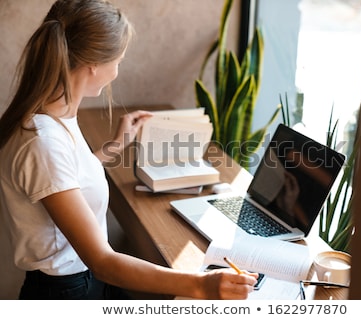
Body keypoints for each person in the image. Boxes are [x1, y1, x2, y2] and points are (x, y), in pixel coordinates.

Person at [0, 0, 257, 300]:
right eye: (118, 61)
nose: (117, 71)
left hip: (80, 281)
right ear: (93, 65)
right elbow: (103, 263)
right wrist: (201, 284)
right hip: (68, 291)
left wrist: (115, 146)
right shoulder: (42, 142)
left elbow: (65, 178)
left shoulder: (54, 115)